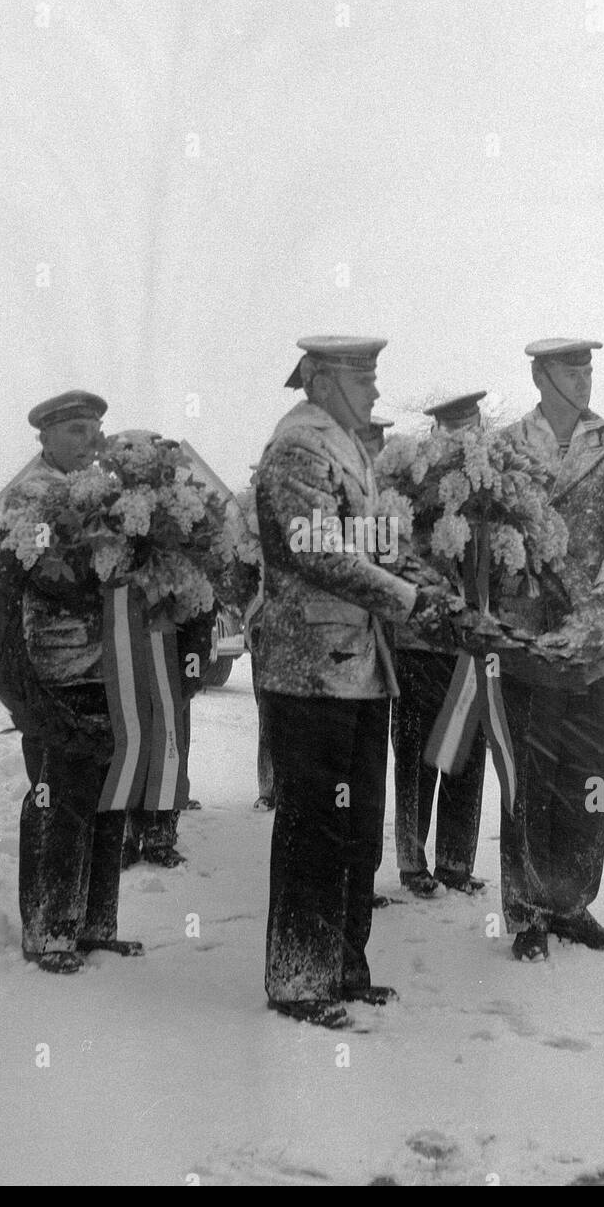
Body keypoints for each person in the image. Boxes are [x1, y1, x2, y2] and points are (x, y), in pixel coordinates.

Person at [255, 335, 463, 1028]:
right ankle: (297, 978)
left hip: (361, 668)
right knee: (314, 828)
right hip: (309, 671)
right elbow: (318, 552)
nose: (375, 392)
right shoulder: (298, 447)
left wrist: (427, 578)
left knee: (355, 832)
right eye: (363, 379)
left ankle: (343, 967)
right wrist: (407, 600)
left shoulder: (346, 446)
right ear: (322, 381)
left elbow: (371, 545)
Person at [495, 338, 604, 962]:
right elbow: (491, 537)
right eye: (570, 368)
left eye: (589, 366)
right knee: (528, 776)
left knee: (588, 776)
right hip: (527, 641)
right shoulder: (506, 449)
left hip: (593, 643)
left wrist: (602, 598)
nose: (584, 377)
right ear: (540, 375)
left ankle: (571, 901)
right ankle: (528, 910)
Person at [0, 390, 148, 975]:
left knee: (107, 800)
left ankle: (96, 923)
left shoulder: (102, 496)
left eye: (95, 429)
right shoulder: (31, 503)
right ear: (45, 440)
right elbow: (7, 602)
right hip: (58, 676)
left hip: (108, 671)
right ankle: (50, 929)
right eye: (76, 430)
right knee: (59, 802)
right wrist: (22, 694)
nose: (90, 441)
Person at [390, 391, 491, 898]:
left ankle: (456, 861)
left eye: (470, 428)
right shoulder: (412, 481)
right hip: (418, 641)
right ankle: (412, 862)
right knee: (415, 752)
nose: (463, 438)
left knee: (467, 752)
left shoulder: (493, 484)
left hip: (469, 644)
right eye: (453, 430)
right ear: (436, 432)